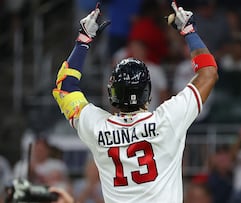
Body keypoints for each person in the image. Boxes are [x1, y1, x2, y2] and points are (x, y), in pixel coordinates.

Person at [52, 2, 218, 203]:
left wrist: (83, 40)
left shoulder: (96, 127)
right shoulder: (168, 120)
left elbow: (65, 86)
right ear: (148, 94)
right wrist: (189, 31)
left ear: (111, 93)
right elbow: (208, 72)